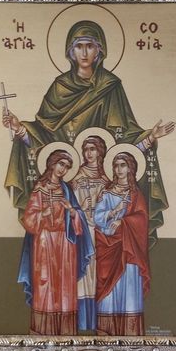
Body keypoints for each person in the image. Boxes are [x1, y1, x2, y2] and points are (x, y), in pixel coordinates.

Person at [2, 20, 174, 244]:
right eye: (79, 46)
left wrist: (150, 137)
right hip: (70, 184)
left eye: (90, 46)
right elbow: (45, 136)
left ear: (99, 51)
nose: (84, 53)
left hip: (104, 186)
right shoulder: (59, 87)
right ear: (70, 51)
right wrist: (20, 129)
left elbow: (125, 138)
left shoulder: (111, 86)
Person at [17, 149, 93, 335]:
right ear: (52, 163)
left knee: (65, 285)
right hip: (44, 242)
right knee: (45, 282)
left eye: (67, 167)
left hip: (65, 243)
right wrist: (43, 214)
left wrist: (72, 211)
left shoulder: (66, 190)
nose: (63, 169)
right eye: (61, 164)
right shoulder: (39, 188)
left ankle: (65, 331)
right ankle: (44, 330)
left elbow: (78, 216)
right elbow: (28, 219)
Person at [94, 151, 150, 336]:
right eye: (116, 165)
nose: (119, 169)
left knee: (129, 286)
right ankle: (107, 331)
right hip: (108, 246)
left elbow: (142, 220)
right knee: (109, 292)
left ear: (130, 168)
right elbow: (97, 218)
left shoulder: (135, 195)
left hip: (128, 249)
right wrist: (113, 213)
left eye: (123, 165)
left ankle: (129, 333)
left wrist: (123, 222)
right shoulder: (106, 193)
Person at [71, 135, 110, 331]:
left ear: (100, 152)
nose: (88, 153)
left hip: (102, 234)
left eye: (92, 149)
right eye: (86, 149)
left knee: (98, 276)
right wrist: (81, 207)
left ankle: (98, 321)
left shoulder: (106, 179)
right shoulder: (76, 179)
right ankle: (83, 322)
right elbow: (70, 208)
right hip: (83, 231)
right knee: (84, 274)